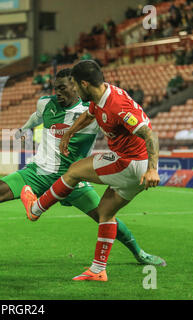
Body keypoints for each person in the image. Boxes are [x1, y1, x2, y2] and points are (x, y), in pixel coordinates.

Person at [0, 69, 165, 267]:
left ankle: (139, 253)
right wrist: (24, 129)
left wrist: (141, 161)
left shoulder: (92, 112)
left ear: (78, 88)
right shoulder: (45, 104)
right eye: (55, 88)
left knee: (104, 215)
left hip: (73, 180)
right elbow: (37, 118)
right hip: (37, 172)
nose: (57, 93)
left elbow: (123, 127)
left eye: (64, 88)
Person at [20, 60, 165, 282]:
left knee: (74, 170)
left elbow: (150, 135)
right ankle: (98, 270)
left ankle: (36, 209)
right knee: (105, 212)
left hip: (130, 163)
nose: (75, 91)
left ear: (84, 84)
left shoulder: (116, 105)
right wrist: (68, 134)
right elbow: (89, 114)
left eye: (76, 86)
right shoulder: (101, 96)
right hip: (133, 168)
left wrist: (153, 170)